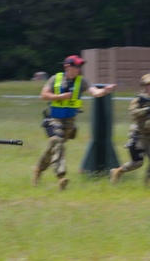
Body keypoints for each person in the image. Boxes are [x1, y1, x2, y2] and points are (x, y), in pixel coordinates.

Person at [33, 55, 116, 190]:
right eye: (76, 66)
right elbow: (43, 95)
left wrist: (105, 91)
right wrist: (60, 97)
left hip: (69, 124)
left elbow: (94, 92)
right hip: (54, 119)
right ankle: (61, 177)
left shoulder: (81, 81)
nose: (78, 69)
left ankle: (38, 169)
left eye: (79, 67)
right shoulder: (55, 79)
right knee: (57, 141)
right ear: (67, 66)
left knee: (52, 148)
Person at [111, 72, 150, 186]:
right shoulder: (139, 99)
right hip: (138, 135)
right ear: (145, 86)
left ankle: (147, 183)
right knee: (138, 163)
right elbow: (132, 113)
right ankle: (118, 171)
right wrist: (148, 109)